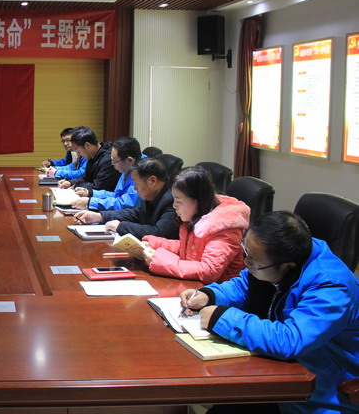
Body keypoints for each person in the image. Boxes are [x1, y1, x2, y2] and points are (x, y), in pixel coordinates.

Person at [180, 211, 359, 414]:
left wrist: (223, 318)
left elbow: (290, 340)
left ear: (287, 267)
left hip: (314, 395)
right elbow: (247, 284)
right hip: (277, 374)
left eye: (252, 261)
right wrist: (210, 295)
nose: (246, 263)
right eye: (245, 252)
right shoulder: (287, 254)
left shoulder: (332, 287)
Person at [133, 166, 249, 284]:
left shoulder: (225, 226)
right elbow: (188, 247)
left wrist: (159, 261)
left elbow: (209, 271)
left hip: (218, 291)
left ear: (198, 200)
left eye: (178, 201)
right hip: (194, 285)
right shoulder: (195, 216)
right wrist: (154, 244)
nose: (174, 205)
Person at [74, 157, 178, 240]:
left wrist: (121, 226)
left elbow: (159, 232)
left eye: (136, 183)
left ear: (152, 181)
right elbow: (134, 214)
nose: (135, 188)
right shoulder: (153, 195)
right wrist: (100, 216)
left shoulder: (172, 200)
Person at [71, 136, 143, 211]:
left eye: (115, 161)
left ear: (129, 160)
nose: (112, 164)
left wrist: (90, 202)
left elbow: (125, 204)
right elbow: (116, 195)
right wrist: (90, 193)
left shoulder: (142, 173)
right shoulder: (129, 167)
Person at [57, 127, 119, 192]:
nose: (78, 154)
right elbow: (86, 177)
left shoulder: (108, 159)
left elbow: (99, 186)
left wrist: (76, 186)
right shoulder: (93, 155)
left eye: (78, 151)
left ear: (87, 145)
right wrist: (71, 182)